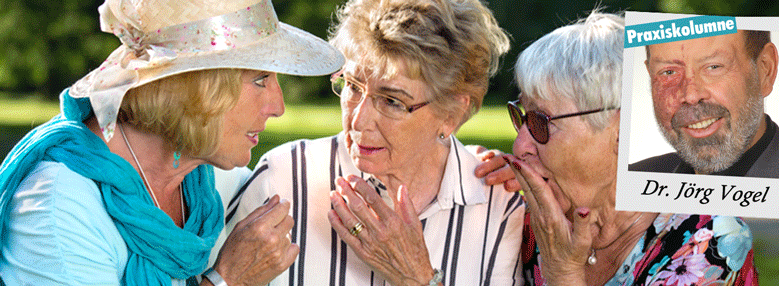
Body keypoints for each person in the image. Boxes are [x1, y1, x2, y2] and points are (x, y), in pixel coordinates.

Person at [0, 0, 343, 284]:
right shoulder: (59, 206)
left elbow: (305, 195)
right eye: (260, 79)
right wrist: (227, 280)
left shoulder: (202, 182)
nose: (278, 107)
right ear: (196, 89)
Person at [222, 0, 525, 285]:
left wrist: (417, 278)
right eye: (352, 86)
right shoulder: (285, 176)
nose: (358, 121)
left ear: (452, 113)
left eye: (392, 101)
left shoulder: (499, 205)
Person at [502, 12, 759, 286]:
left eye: (540, 122)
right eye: (521, 117)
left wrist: (563, 274)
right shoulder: (527, 223)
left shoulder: (710, 240)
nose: (520, 146)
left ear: (623, 130)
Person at [630, 30, 779, 178]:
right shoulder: (632, 180)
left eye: (713, 67)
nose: (691, 96)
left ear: (765, 70)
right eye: (669, 72)